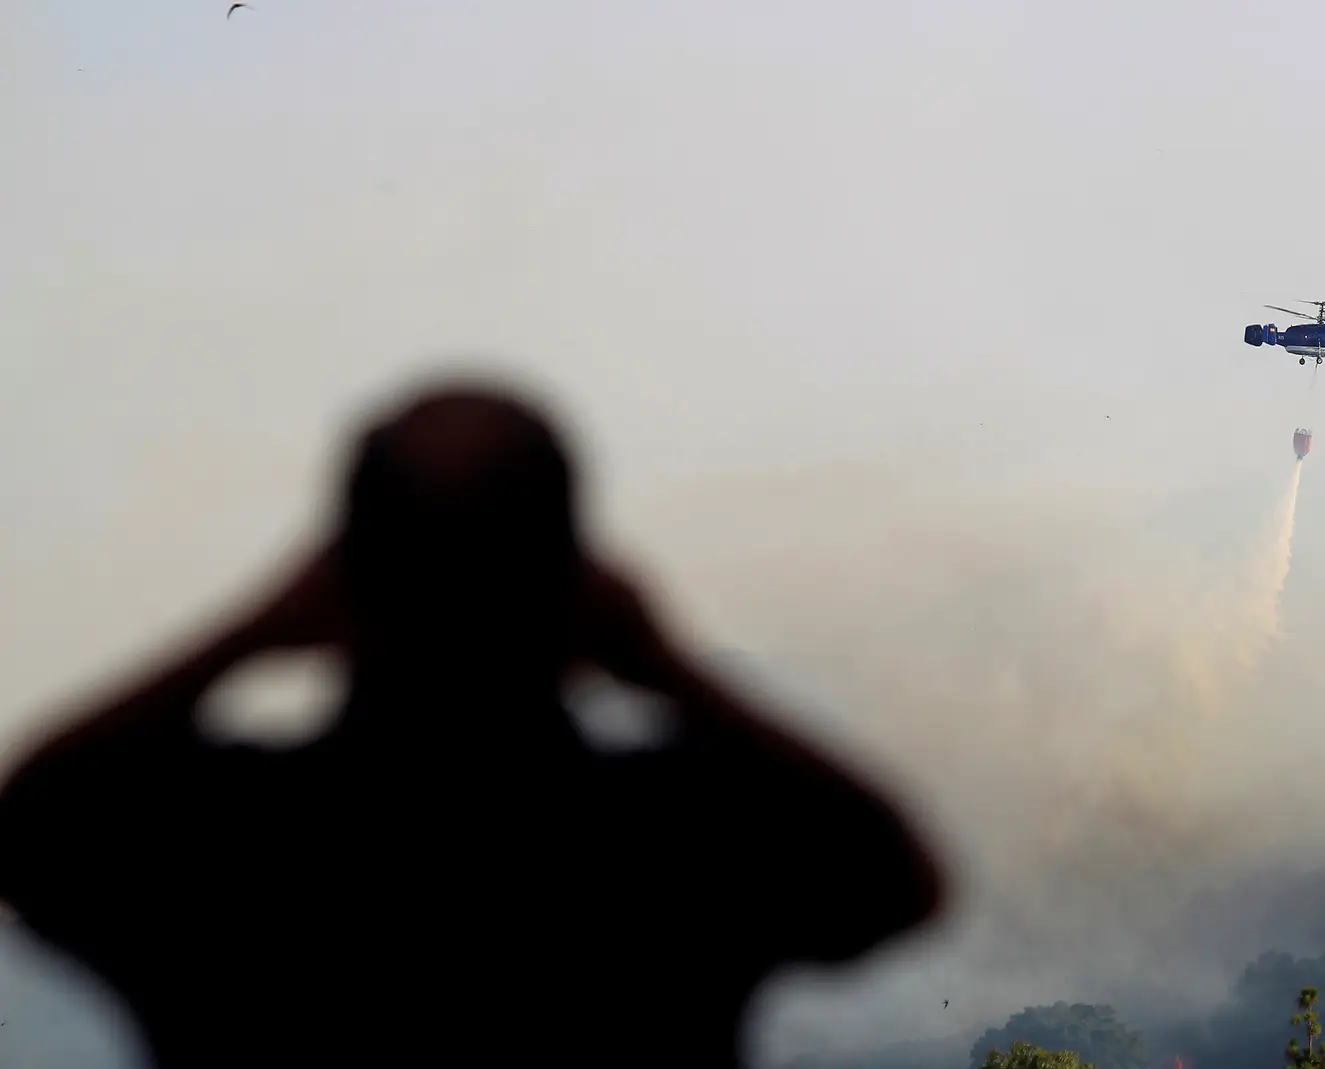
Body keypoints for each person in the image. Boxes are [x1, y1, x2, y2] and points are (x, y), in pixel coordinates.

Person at [0, 382, 945, 1067]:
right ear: (577, 590)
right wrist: (668, 666)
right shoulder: (675, 836)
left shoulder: (213, 843)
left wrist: (247, 634)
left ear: (340, 581)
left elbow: (28, 825)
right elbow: (896, 877)